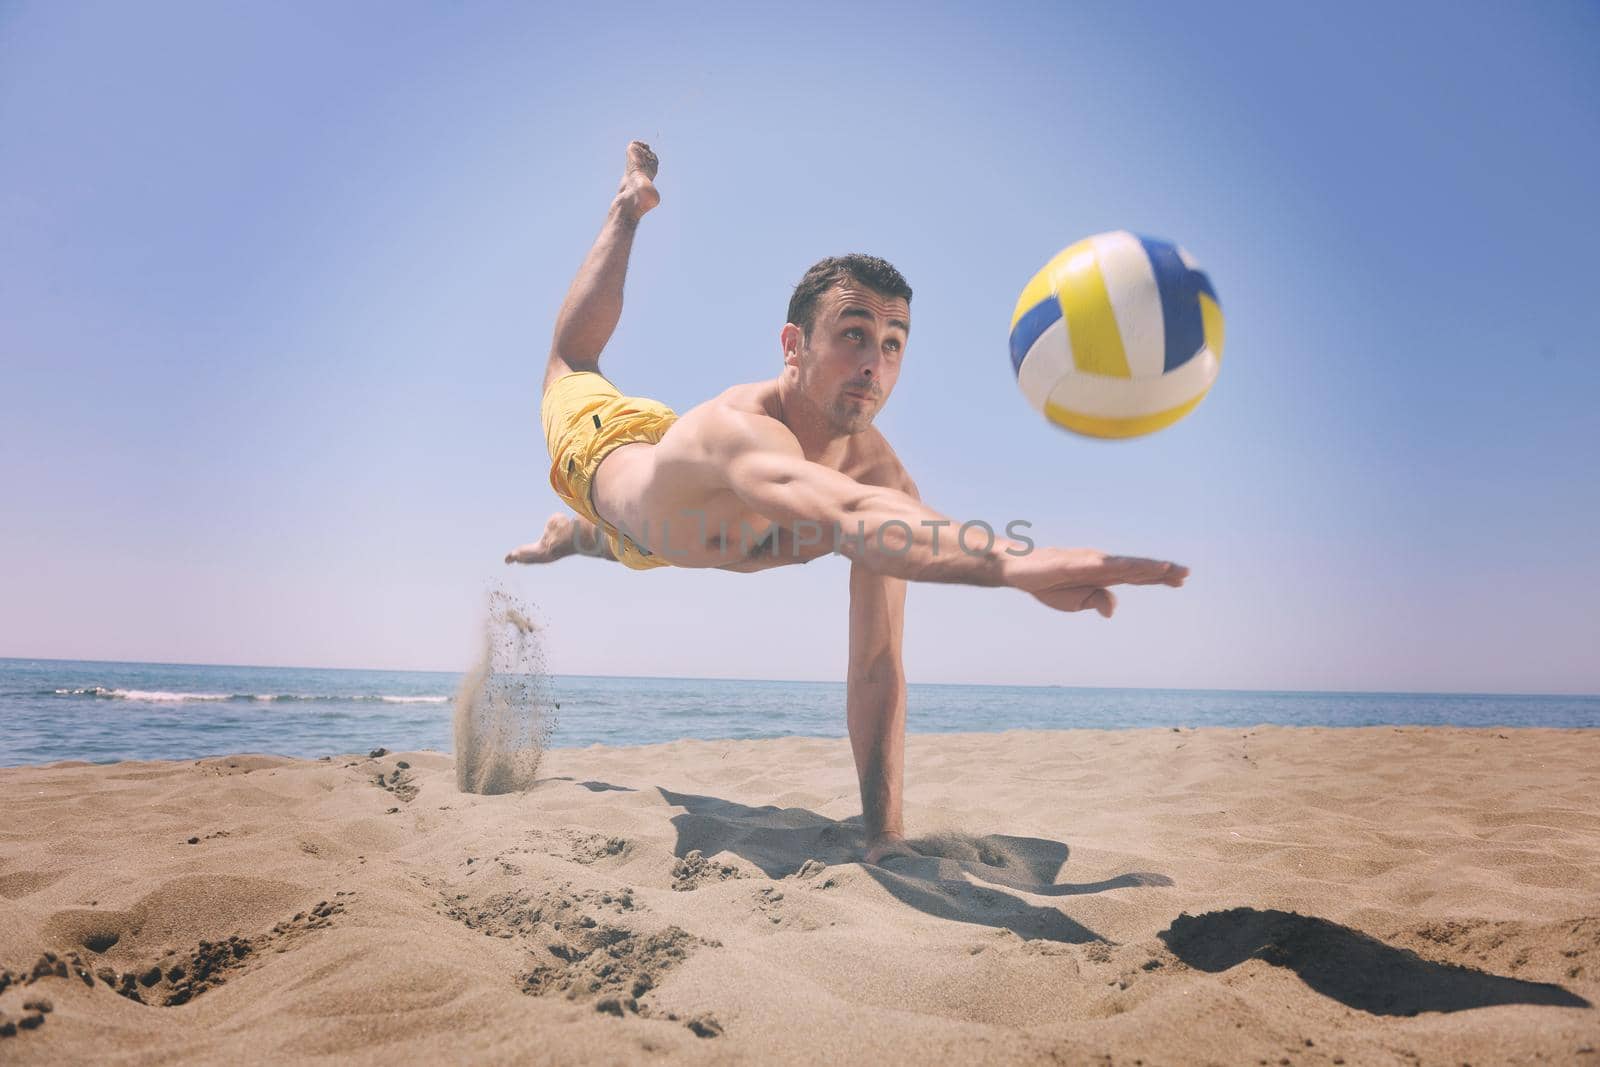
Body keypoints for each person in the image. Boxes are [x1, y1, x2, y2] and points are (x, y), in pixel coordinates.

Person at [508, 142, 1189, 864]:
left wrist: (885, 836)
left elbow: (876, 662)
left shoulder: (884, 477)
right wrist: (1015, 563)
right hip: (608, 450)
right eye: (855, 334)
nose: (875, 363)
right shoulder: (741, 434)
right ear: (793, 345)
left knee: (639, 543)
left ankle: (571, 536)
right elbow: (839, 509)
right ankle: (625, 209)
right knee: (572, 362)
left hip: (674, 535)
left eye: (894, 344)